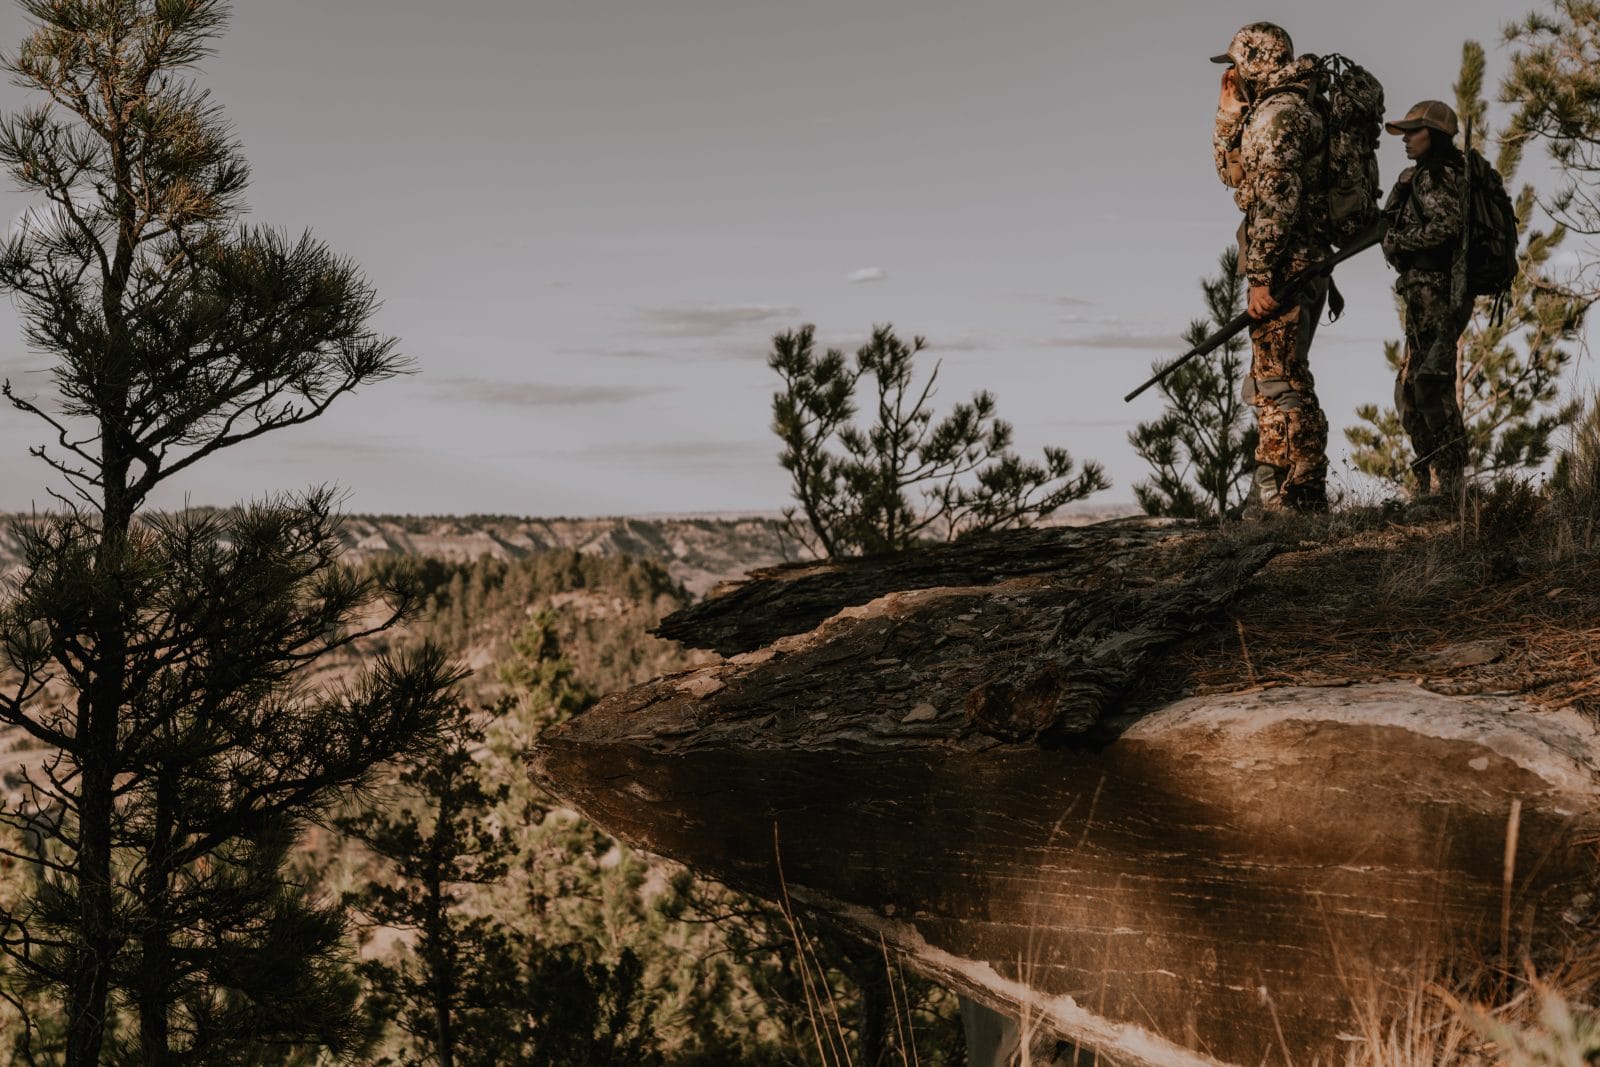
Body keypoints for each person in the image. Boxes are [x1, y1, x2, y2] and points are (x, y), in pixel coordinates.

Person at [1211, 22, 1333, 514]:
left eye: (1237, 65)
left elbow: (1276, 202)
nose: (1232, 75)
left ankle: (1300, 492)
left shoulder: (1279, 116)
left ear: (1255, 62)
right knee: (1272, 378)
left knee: (1281, 382)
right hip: (1295, 259)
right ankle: (1274, 494)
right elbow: (1233, 175)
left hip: (1286, 264)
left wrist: (1260, 277)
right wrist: (1227, 116)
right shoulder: (1279, 110)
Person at [1379, 100, 1469, 499]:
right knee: (1413, 388)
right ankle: (1431, 484)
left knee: (1430, 385)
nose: (1406, 140)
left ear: (1433, 135)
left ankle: (1448, 486)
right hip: (1424, 294)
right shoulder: (1425, 176)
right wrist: (1400, 188)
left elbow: (1447, 225)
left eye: (1413, 132)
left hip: (1433, 293)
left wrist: (1400, 241)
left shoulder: (1435, 175)